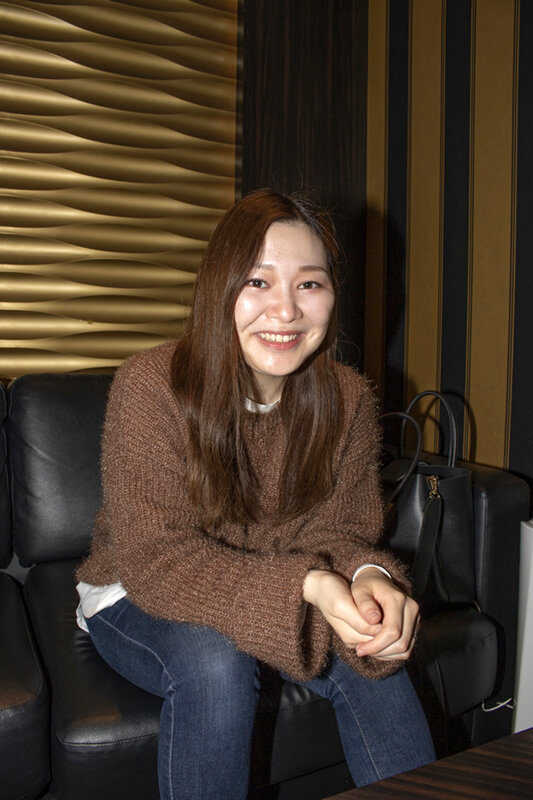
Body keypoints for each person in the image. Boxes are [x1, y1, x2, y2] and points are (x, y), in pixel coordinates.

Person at [76, 189, 435, 800]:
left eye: (309, 284)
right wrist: (309, 585)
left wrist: (369, 577)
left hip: (281, 578)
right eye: (258, 282)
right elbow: (155, 559)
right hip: (136, 589)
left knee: (370, 652)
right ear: (218, 289)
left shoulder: (347, 398)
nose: (286, 310)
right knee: (215, 663)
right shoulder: (151, 385)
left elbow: (341, 533)